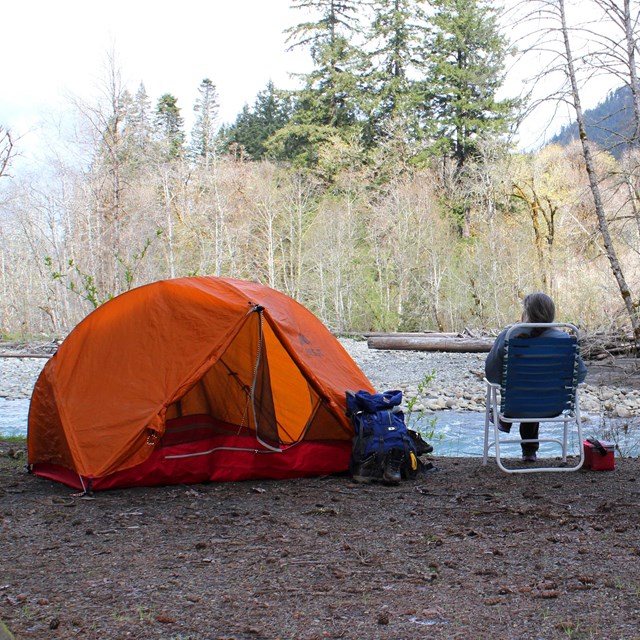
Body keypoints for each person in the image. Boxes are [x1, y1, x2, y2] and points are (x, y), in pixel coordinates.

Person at [484, 292, 587, 462]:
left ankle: (504, 419)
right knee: (536, 392)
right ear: (551, 313)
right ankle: (529, 451)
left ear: (526, 313)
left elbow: (491, 373)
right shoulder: (564, 339)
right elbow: (580, 375)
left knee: (524, 392)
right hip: (553, 406)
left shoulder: (509, 335)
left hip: (515, 406)